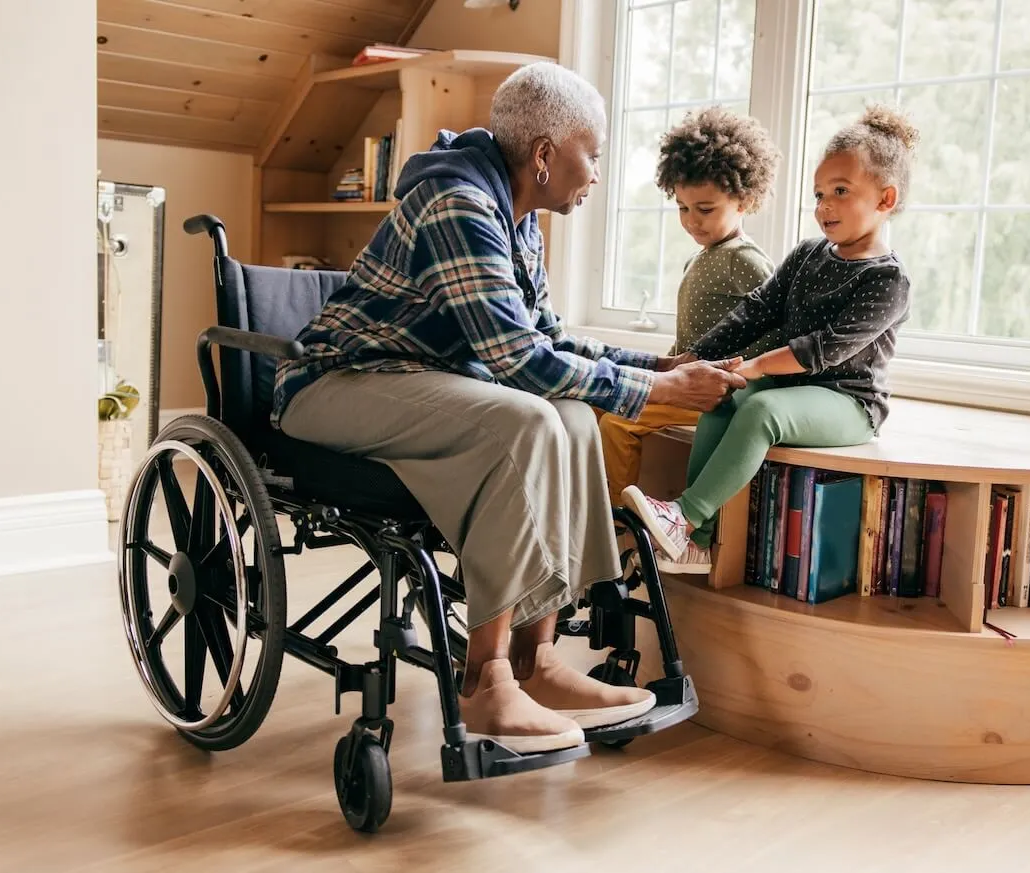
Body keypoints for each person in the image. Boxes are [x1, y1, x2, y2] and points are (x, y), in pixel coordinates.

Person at [272, 62, 746, 754]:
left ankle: (537, 657)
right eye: (595, 154)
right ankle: (486, 678)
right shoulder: (460, 203)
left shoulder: (518, 219)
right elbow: (515, 362)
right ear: (546, 154)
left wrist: (658, 366)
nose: (597, 174)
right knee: (523, 417)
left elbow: (546, 340)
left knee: (578, 416)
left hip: (417, 381)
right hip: (333, 384)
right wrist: (662, 393)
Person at [622, 105, 919, 573]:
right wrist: (699, 356)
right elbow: (756, 310)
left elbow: (826, 349)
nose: (824, 205)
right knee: (725, 394)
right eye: (819, 193)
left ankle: (686, 516)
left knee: (760, 408)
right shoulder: (808, 254)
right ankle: (694, 542)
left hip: (849, 401)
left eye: (841, 192)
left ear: (885, 199)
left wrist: (757, 367)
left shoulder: (887, 280)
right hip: (794, 388)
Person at [596, 107, 785, 537]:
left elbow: (779, 328)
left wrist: (742, 377)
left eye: (704, 209)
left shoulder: (747, 261)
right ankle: (595, 512)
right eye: (682, 208)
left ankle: (619, 530)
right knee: (595, 405)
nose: (691, 221)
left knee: (618, 420)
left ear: (746, 200)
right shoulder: (703, 256)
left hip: (716, 392)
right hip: (687, 381)